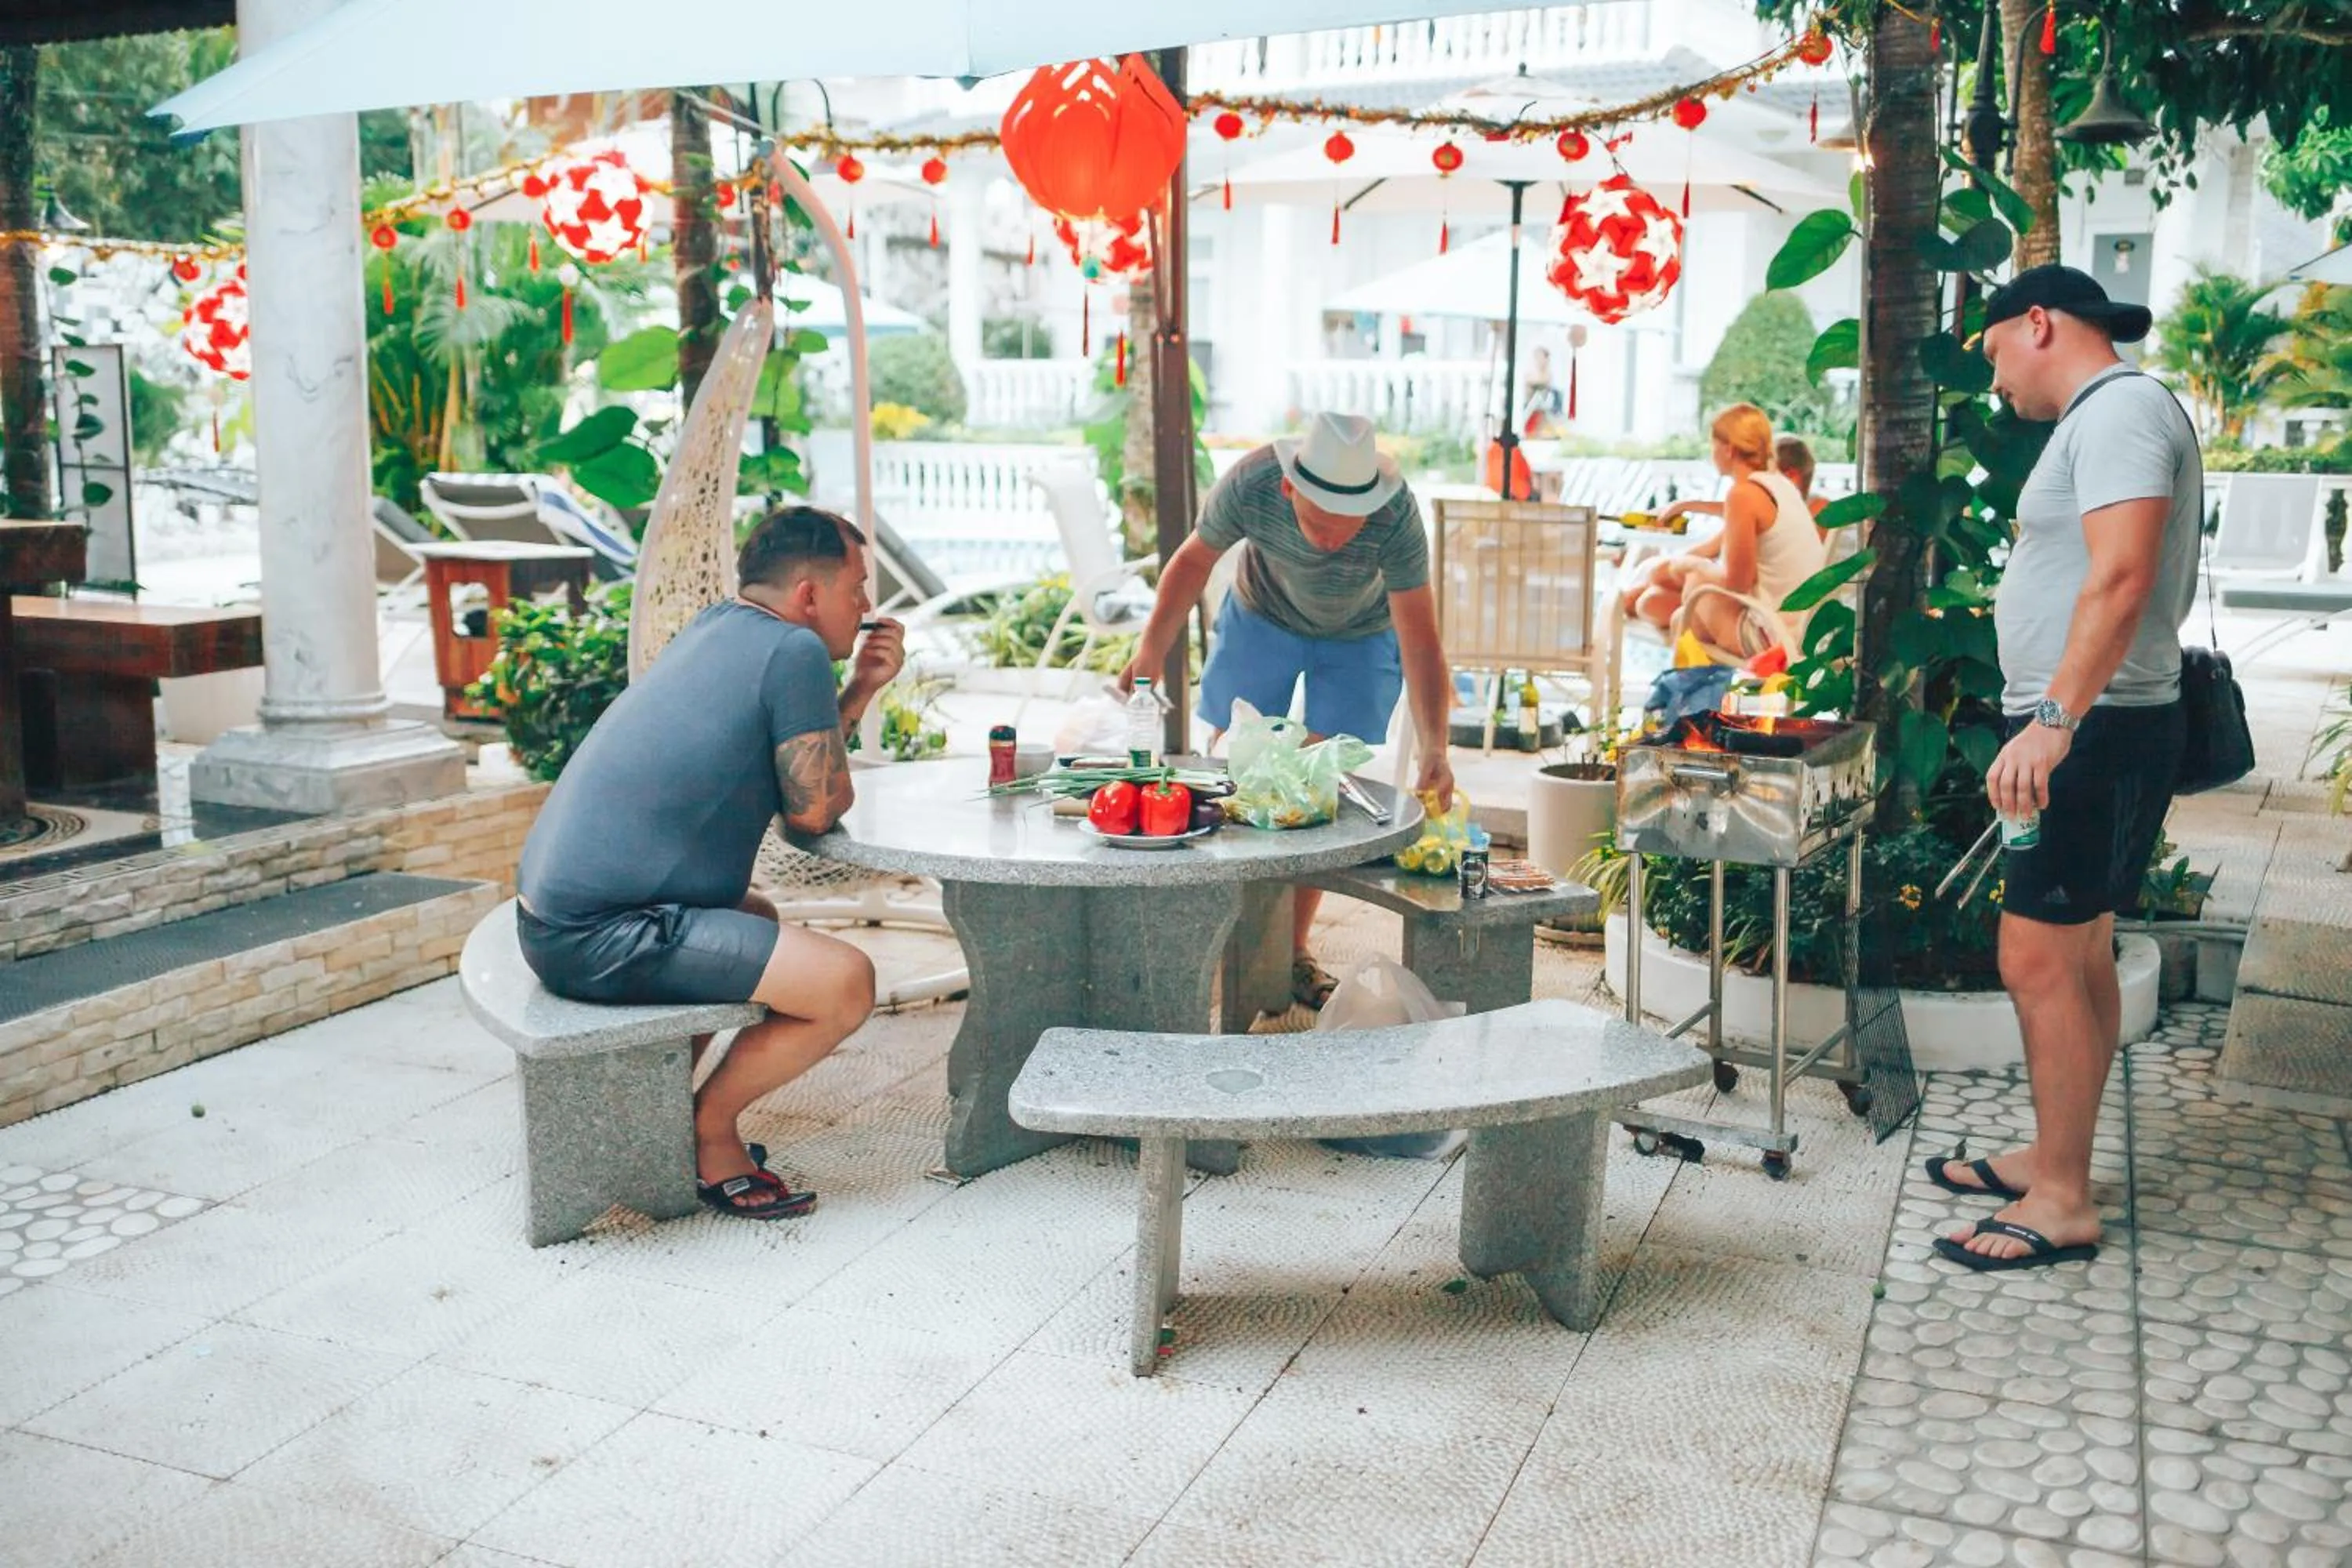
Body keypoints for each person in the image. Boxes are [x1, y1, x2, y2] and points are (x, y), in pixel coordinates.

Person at [513, 506, 904, 1221]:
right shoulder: (795, 652)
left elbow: (791, 772)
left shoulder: (717, 627)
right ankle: (707, 1132)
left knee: (754, 914)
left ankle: (662, 1120)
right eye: (857, 586)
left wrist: (857, 692)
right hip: (601, 936)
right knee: (846, 982)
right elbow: (814, 810)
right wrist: (854, 695)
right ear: (808, 597)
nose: (867, 606)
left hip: (548, 916)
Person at [1929, 264, 2198, 1272]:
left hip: (2091, 730)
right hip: (2095, 724)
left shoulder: (2118, 412)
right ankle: (2056, 1156)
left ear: (2036, 322)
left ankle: (2063, 1198)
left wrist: (2052, 720)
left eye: (1995, 352)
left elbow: (2122, 573)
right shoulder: (2107, 416)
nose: (1996, 381)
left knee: (2035, 956)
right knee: (2078, 948)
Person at [1118, 412, 1457, 1011]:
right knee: (1234, 772)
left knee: (1322, 789)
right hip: (1262, 614)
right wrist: (1150, 648)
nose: (1328, 541)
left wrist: (1436, 747)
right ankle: (1228, 935)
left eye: (1345, 527)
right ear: (1288, 489)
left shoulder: (1396, 516)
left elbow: (1421, 638)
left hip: (1361, 631)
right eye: (1317, 522)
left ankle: (1293, 951)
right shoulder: (1251, 483)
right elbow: (1194, 560)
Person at [1618, 404, 1828, 655]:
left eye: (1713, 444)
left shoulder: (1743, 494)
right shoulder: (1779, 485)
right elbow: (1752, 513)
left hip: (1773, 639)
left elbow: (1738, 583)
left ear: (1728, 449)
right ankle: (1698, 689)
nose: (1711, 452)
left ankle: (1685, 689)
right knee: (1674, 612)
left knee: (1689, 585)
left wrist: (1691, 566)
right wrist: (1688, 507)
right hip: (1804, 631)